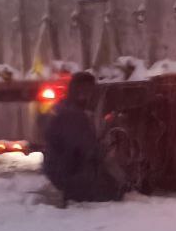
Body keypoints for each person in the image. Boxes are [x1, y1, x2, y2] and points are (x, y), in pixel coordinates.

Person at [41, 71, 127, 205]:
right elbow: (89, 150)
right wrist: (107, 151)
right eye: (86, 91)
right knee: (116, 191)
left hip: (59, 168)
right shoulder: (74, 115)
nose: (89, 95)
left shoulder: (62, 106)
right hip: (69, 174)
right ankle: (73, 192)